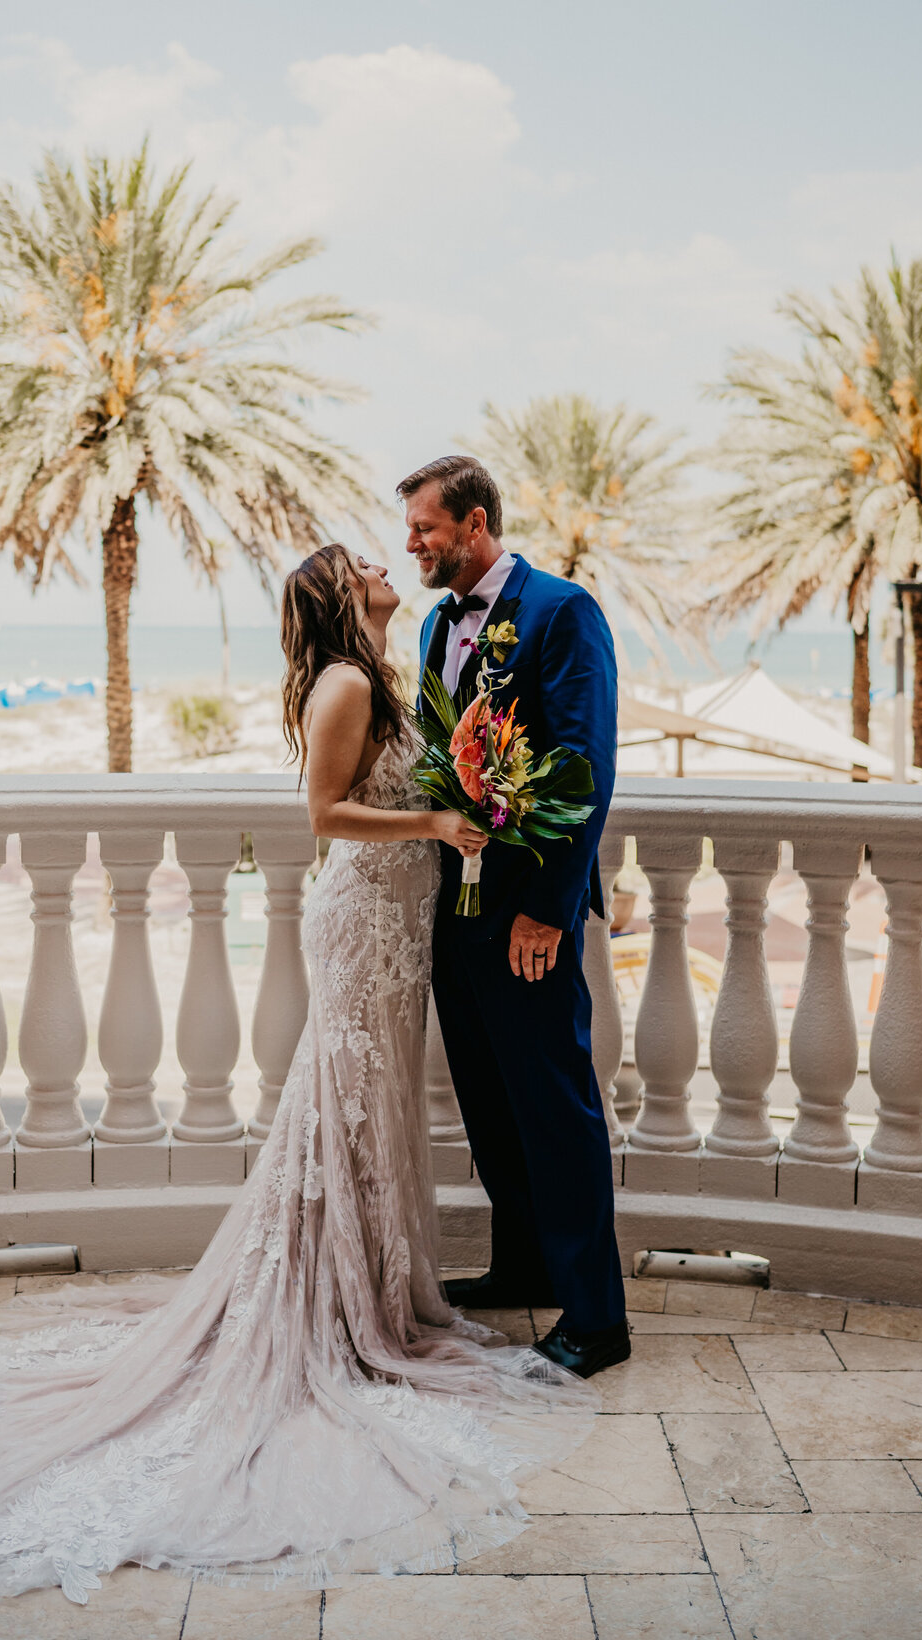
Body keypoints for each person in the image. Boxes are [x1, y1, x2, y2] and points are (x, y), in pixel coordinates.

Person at [0, 541, 596, 1606]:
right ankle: (334, 1298)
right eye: (368, 559)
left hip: (400, 924)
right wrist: (436, 818)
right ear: (342, 594)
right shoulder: (342, 683)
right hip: (361, 922)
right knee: (342, 1102)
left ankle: (369, 1287)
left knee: (370, 1108)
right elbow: (325, 816)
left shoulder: (390, 669)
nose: (390, 565)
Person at [402, 454, 629, 1380]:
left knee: (553, 1105)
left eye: (425, 526)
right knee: (490, 1103)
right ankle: (526, 1261)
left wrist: (546, 910)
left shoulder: (561, 612)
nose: (412, 543)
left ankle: (596, 1317)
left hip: (525, 914)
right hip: (453, 912)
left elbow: (585, 769)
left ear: (477, 522)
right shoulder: (431, 624)